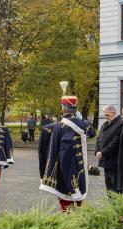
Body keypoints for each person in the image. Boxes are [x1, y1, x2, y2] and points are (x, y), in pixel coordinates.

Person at [38, 84, 95, 212]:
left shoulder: (57, 127)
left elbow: (52, 151)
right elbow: (92, 133)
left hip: (63, 171)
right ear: (76, 109)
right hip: (80, 171)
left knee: (66, 207)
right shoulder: (84, 124)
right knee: (80, 203)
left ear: (63, 110)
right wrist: (82, 119)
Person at [95, 104, 123, 193]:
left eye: (107, 115)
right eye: (105, 115)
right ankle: (111, 206)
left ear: (113, 112)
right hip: (105, 161)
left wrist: (102, 153)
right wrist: (97, 151)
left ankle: (116, 207)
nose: (105, 117)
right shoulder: (105, 124)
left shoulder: (120, 124)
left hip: (114, 162)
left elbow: (115, 143)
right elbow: (99, 138)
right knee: (109, 189)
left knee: (116, 189)